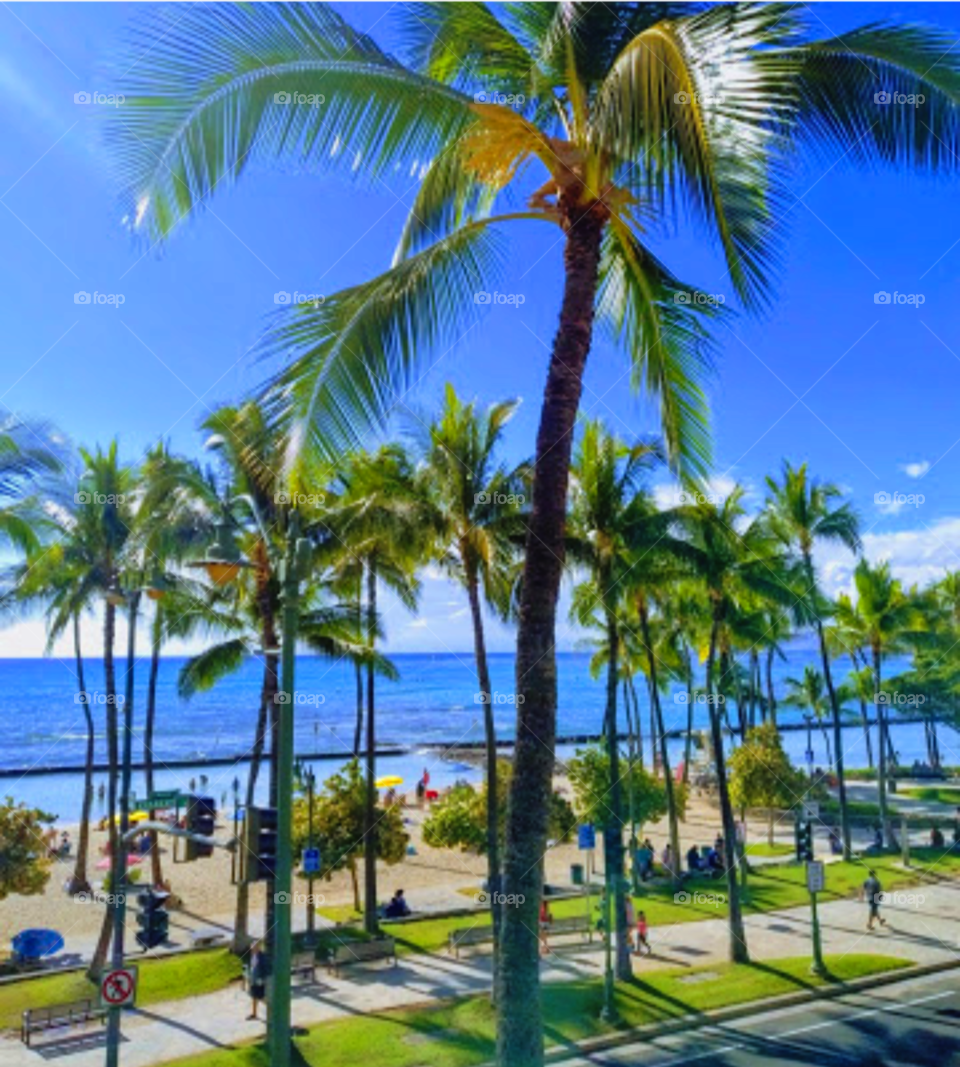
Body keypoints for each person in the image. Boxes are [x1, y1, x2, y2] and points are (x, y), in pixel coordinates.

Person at [247, 942, 269, 1021]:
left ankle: (272, 1011)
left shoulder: (262, 956)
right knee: (254, 997)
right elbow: (251, 967)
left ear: (258, 948)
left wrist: (261, 978)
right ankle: (254, 1013)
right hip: (253, 979)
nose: (252, 949)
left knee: (261, 997)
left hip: (259, 980)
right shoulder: (253, 956)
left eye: (254, 948)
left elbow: (264, 968)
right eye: (252, 948)